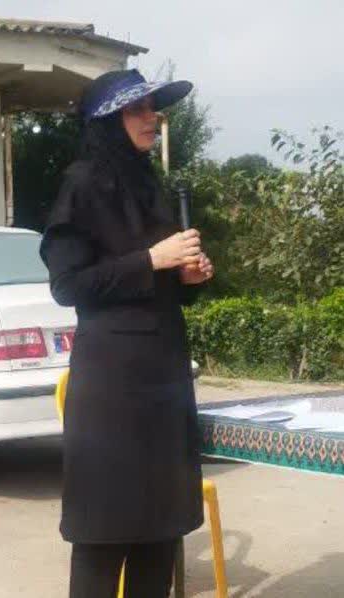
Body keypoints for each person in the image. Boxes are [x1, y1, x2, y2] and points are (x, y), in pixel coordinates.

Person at [40, 69, 215, 598]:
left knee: (159, 531)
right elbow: (68, 286)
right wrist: (151, 259)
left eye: (153, 108)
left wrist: (186, 279)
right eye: (137, 109)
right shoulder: (82, 184)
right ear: (107, 120)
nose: (152, 119)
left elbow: (160, 284)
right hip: (112, 390)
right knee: (105, 531)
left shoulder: (148, 182)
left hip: (163, 379)